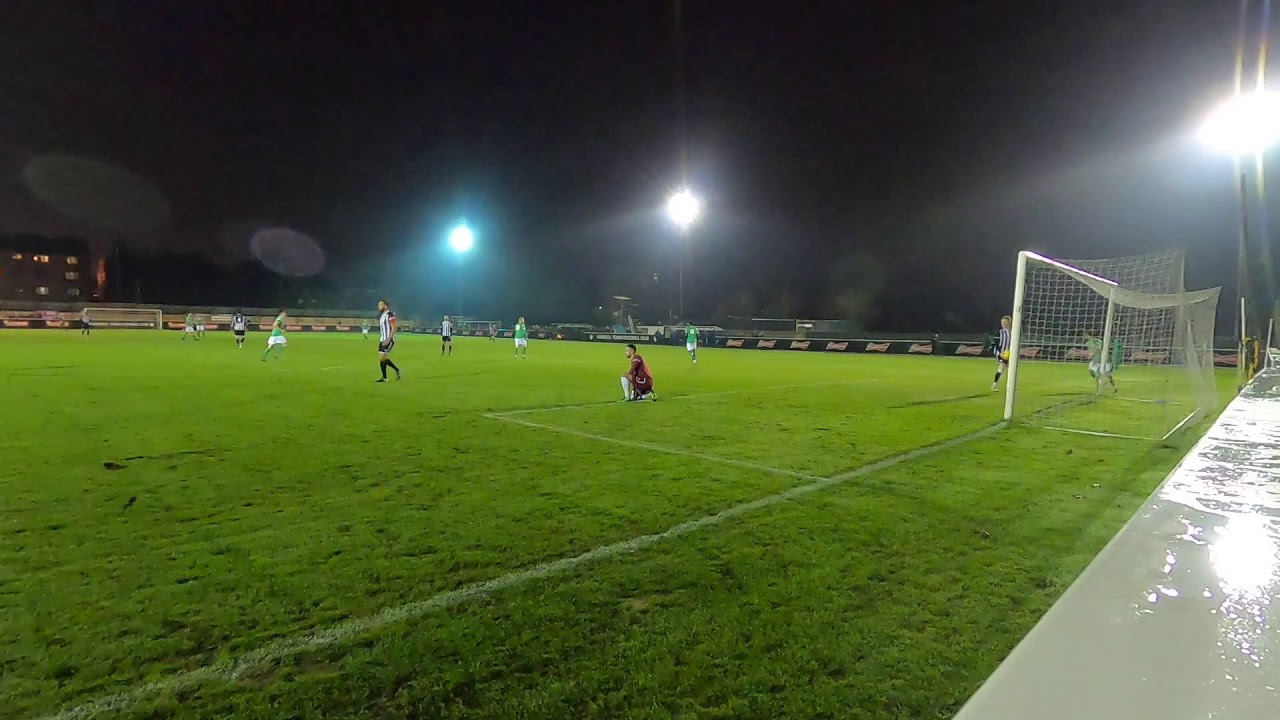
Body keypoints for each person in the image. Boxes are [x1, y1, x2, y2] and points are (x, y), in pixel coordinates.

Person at [376, 299, 401, 382]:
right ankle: (386, 376)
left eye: (380, 305)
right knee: (381, 358)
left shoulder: (390, 315)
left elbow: (394, 327)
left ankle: (386, 377)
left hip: (389, 339)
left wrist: (388, 339)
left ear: (385, 306)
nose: (379, 307)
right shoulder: (382, 316)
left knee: (383, 357)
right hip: (382, 338)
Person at [992, 315, 1011, 392]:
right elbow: (995, 344)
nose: (1003, 324)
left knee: (1010, 370)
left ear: (1009, 322)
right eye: (1002, 322)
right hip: (1002, 354)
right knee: (1001, 368)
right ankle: (994, 384)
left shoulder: (1013, 332)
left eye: (1005, 322)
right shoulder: (999, 332)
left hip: (1011, 354)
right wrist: (1000, 353)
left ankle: (1010, 386)